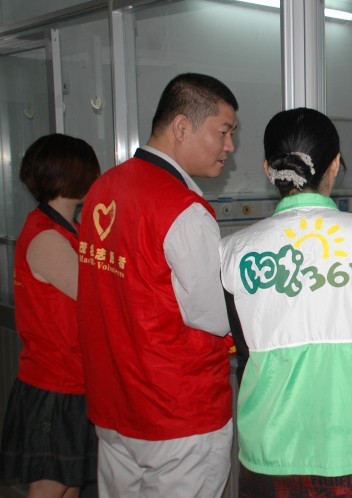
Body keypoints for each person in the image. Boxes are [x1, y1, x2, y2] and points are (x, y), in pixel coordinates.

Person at [220, 107, 352, 497]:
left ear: (268, 169)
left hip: (269, 455)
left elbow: (247, 354)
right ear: (335, 164)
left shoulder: (235, 250)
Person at [77, 73, 238, 498]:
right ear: (182, 127)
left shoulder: (102, 190)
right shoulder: (182, 209)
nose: (229, 146)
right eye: (224, 131)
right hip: (178, 415)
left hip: (116, 405)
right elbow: (217, 315)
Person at [1, 134, 100, 497]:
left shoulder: (67, 229)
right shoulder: (47, 237)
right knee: (50, 486)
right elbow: (96, 298)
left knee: (70, 485)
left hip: (72, 380)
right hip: (55, 385)